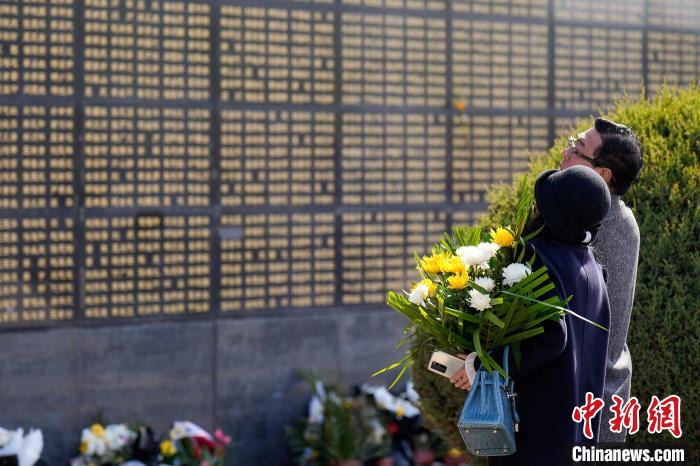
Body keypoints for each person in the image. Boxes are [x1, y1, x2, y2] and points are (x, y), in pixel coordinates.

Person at [451, 165, 612, 465]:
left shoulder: (538, 255)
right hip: (576, 431)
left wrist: (481, 364)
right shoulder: (592, 268)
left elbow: (550, 337)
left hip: (537, 434)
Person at [559, 118, 643, 443]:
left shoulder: (608, 225)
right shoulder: (586, 214)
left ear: (602, 175)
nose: (565, 153)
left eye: (577, 149)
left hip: (591, 412)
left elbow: (580, 328)